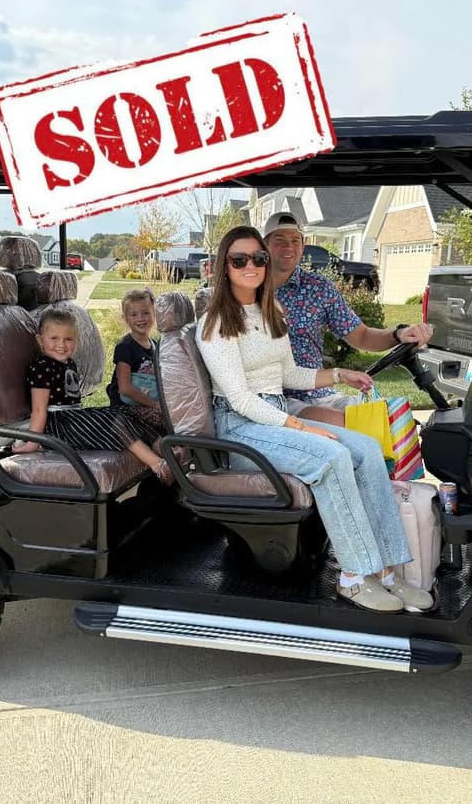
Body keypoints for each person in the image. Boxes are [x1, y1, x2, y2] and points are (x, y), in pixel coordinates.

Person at [196, 226, 434, 614]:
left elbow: (290, 375)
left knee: (368, 449)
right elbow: (239, 398)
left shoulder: (271, 312)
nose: (251, 265)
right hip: (241, 427)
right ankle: (354, 577)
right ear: (225, 266)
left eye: (258, 258)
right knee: (332, 456)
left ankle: (389, 571)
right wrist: (298, 425)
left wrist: (339, 374)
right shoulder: (218, 322)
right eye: (240, 259)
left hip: (271, 416)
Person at [261, 211, 435, 425]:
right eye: (280, 240)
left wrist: (398, 334)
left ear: (303, 245)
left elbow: (361, 336)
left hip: (318, 393)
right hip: (276, 398)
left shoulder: (318, 288)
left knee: (394, 420)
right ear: (265, 246)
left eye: (295, 240)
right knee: (351, 425)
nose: (289, 247)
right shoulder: (250, 290)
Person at [13, 307, 174, 485]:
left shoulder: (68, 363)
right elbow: (38, 409)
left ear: (76, 341)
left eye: (68, 339)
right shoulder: (42, 367)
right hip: (59, 427)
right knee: (115, 419)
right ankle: (158, 465)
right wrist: (33, 442)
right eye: (54, 338)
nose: (61, 344)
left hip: (73, 419)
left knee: (124, 411)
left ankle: (167, 449)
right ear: (40, 340)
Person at [105, 288, 165, 430]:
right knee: (167, 420)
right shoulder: (125, 347)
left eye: (146, 313)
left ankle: (174, 449)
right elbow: (125, 388)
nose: (141, 318)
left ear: (154, 314)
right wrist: (155, 405)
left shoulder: (155, 345)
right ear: (125, 318)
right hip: (125, 408)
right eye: (134, 314)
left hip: (146, 402)